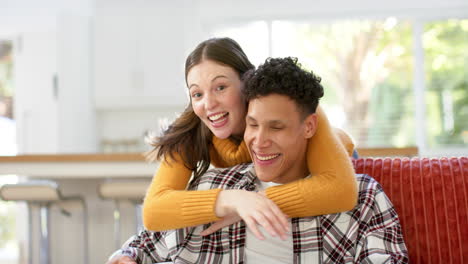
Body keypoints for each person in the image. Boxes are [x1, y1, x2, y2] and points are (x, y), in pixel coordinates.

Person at [107, 57, 408, 264]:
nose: (259, 141)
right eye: (252, 124)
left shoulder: (363, 197)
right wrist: (128, 255)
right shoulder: (215, 184)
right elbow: (148, 239)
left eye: (276, 127)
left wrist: (259, 203)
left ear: (309, 127)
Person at [142, 37, 357, 239]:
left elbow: (341, 190)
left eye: (220, 87)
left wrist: (254, 204)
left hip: (340, 163)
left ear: (246, 83)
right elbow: (154, 210)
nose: (208, 104)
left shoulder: (285, 103)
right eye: (197, 94)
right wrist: (232, 200)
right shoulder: (192, 132)